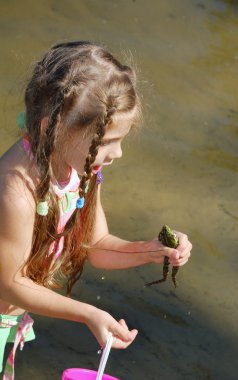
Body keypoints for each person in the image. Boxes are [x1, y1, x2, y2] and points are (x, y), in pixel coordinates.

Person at [0, 41, 192, 378]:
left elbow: (97, 245)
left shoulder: (80, 169)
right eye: (106, 142)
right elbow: (8, 283)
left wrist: (149, 250)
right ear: (52, 128)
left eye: (122, 138)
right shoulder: (16, 191)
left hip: (11, 318)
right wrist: (87, 313)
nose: (117, 153)